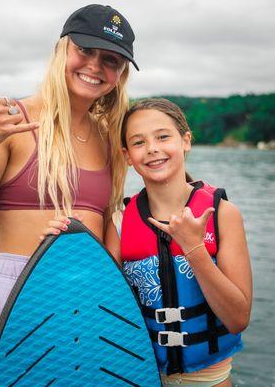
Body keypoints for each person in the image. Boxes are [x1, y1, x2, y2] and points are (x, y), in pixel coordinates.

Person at [0, 4, 138, 386]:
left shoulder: (108, 138)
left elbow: (107, 231)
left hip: (90, 299)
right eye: (85, 50)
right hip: (18, 294)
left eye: (111, 60)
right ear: (61, 50)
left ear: (120, 75)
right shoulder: (15, 121)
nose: (95, 66)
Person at [47, 98, 252, 386]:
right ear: (127, 155)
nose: (153, 148)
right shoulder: (118, 223)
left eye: (163, 136)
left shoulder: (222, 215)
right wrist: (70, 244)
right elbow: (95, 305)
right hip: (137, 376)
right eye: (139, 142)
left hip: (209, 380)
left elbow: (237, 319)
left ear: (186, 141)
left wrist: (194, 248)